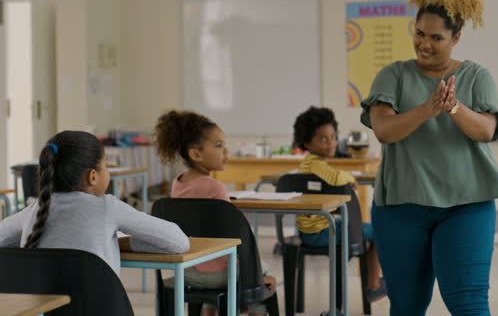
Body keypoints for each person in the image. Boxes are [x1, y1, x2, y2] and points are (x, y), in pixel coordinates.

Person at [360, 0, 498, 315]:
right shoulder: (393, 75)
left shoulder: (477, 77)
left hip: (467, 205)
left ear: (456, 37)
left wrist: (453, 107)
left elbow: (486, 131)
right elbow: (385, 131)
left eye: (436, 37)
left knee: (468, 302)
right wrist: (427, 109)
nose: (424, 44)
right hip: (401, 207)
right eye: (419, 33)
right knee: (407, 304)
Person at [0, 130, 190, 275]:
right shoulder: (108, 207)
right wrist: (123, 243)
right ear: (92, 176)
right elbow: (178, 242)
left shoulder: (36, 209)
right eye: (106, 166)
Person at [154, 110, 275, 316]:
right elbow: (237, 237)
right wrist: (260, 275)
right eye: (219, 146)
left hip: (187, 269)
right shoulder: (215, 187)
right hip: (217, 274)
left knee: (226, 263)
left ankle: (211, 309)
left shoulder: (178, 184)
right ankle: (255, 311)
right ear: (196, 154)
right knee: (262, 274)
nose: (226, 151)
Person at [293, 106, 386, 301]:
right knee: (379, 232)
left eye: (334, 136)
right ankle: (373, 284)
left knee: (367, 231)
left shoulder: (309, 163)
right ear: (308, 143)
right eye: (323, 138)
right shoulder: (315, 163)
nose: (331, 143)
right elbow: (335, 178)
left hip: (313, 230)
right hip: (320, 232)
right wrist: (350, 177)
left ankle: (371, 281)